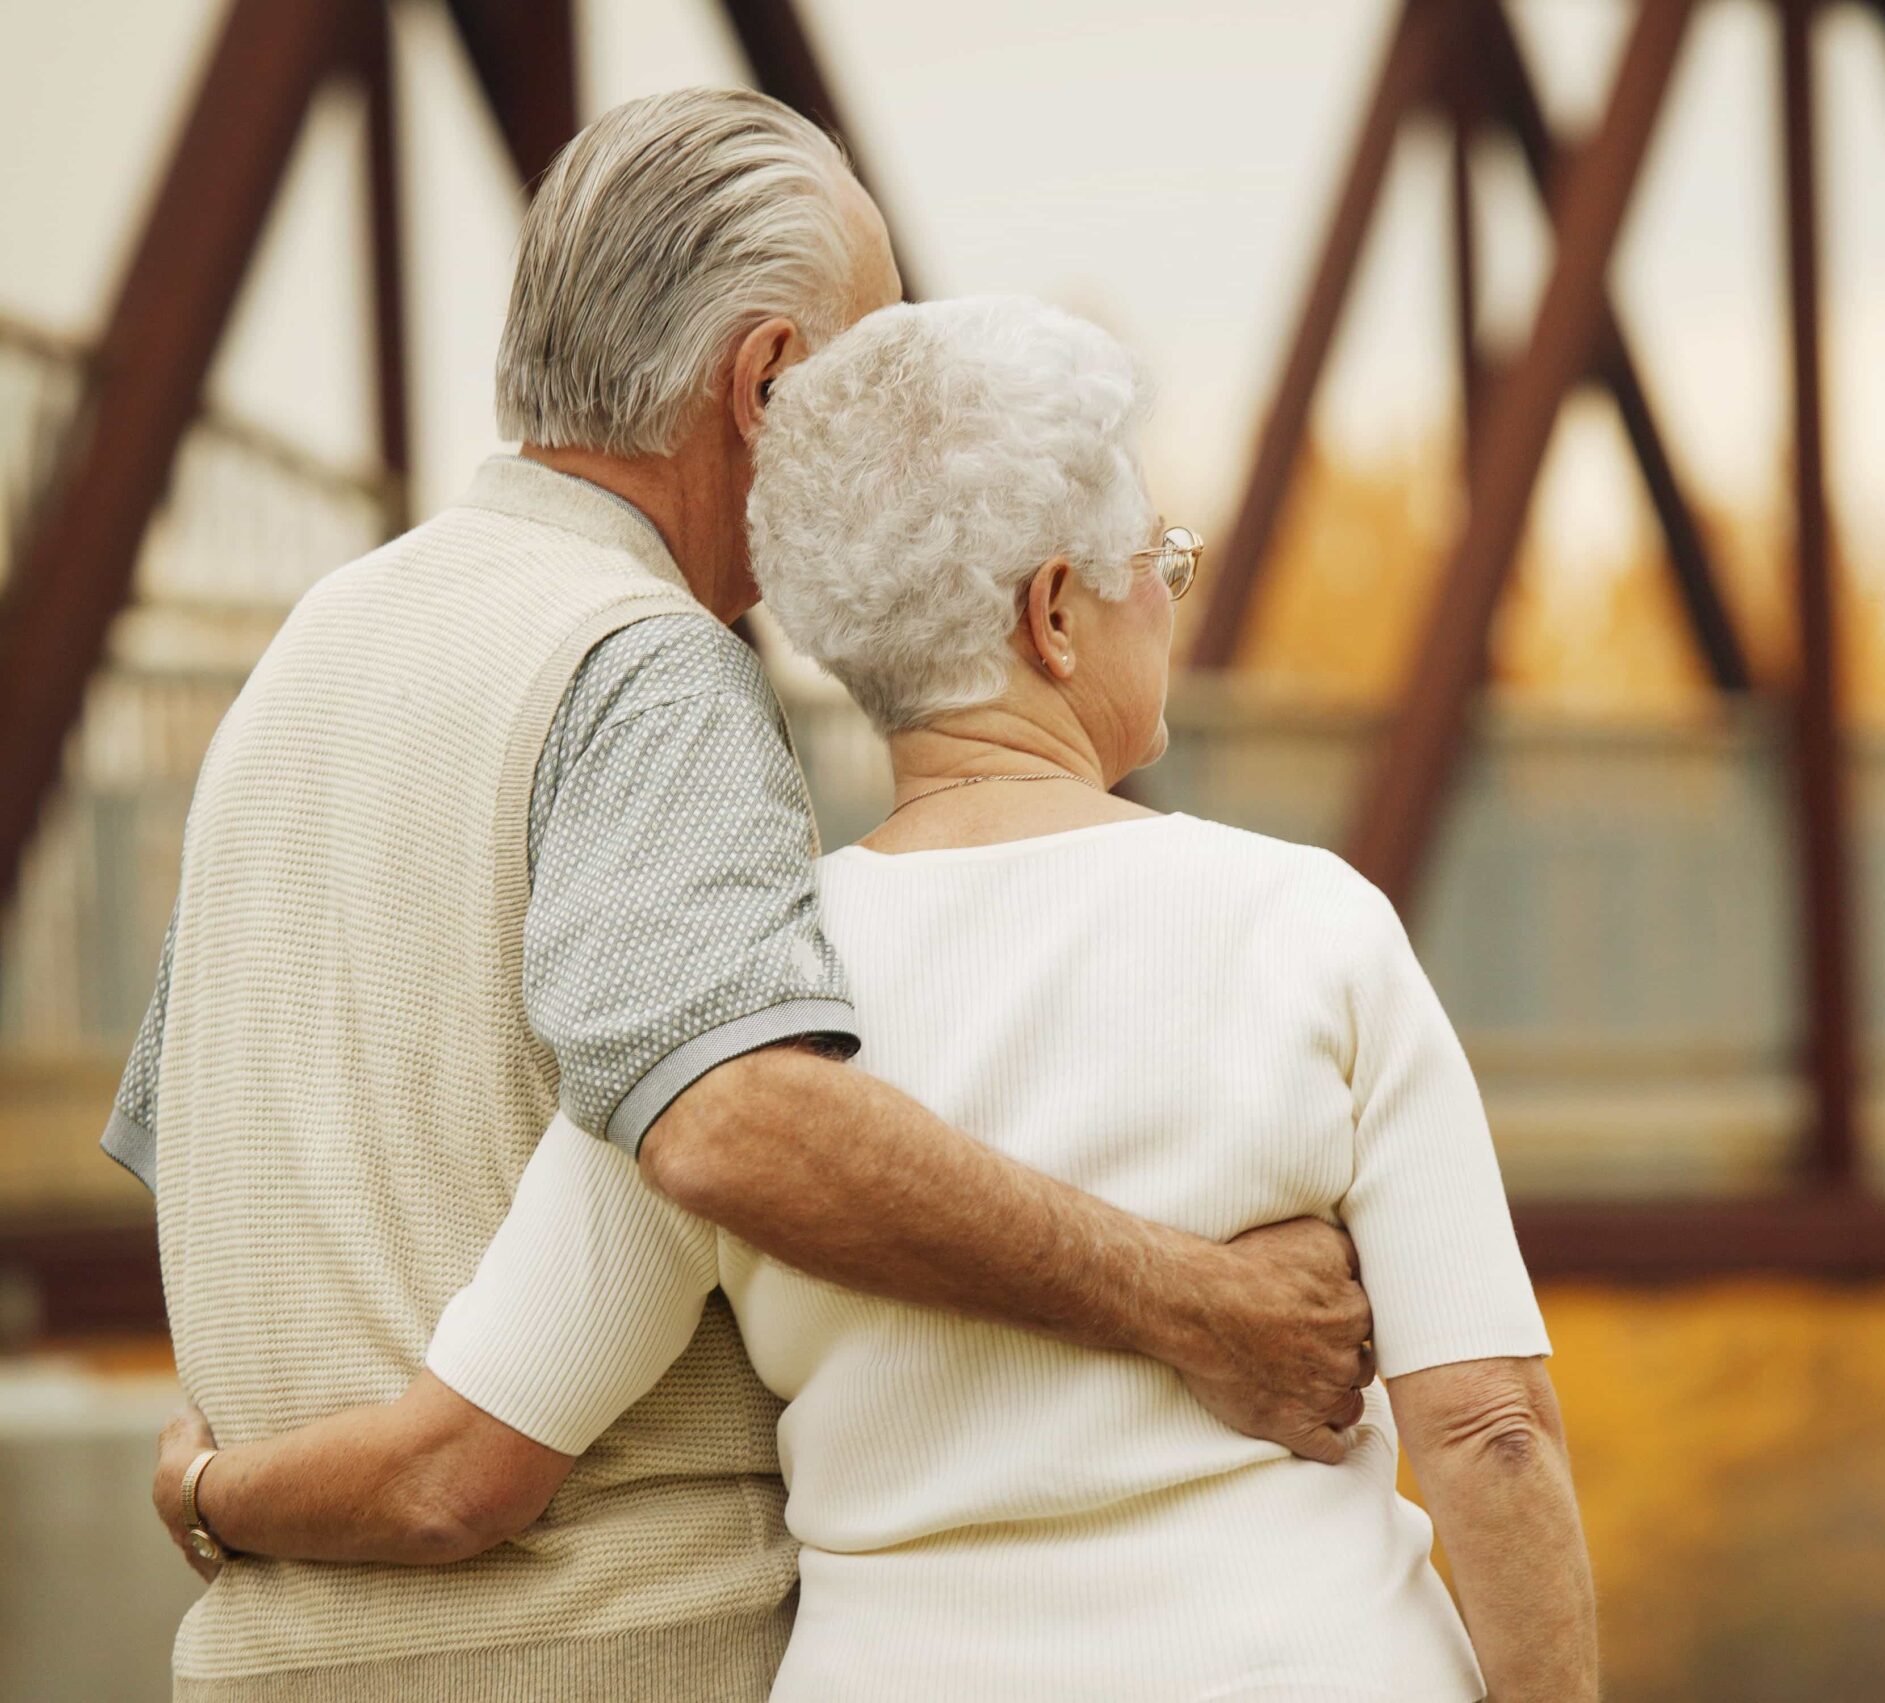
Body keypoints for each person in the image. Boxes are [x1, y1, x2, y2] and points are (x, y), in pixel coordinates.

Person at [155, 296, 1600, 1701]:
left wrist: (217, 1490)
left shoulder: (733, 1012)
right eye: (1157, 553)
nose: (1171, 587)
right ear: (1052, 615)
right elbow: (1489, 1432)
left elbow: (460, 1472)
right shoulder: (1311, 927)